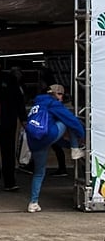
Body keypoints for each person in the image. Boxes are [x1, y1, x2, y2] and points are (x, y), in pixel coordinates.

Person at [26, 85, 85, 213]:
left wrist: (66, 145)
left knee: (39, 172)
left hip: (34, 142)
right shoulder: (53, 103)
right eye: (61, 95)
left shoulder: (37, 104)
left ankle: (33, 202)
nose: (62, 98)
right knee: (68, 121)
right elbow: (72, 121)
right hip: (47, 135)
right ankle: (75, 150)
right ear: (56, 94)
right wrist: (82, 136)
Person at [0, 57, 26, 191]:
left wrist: (23, 118)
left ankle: (10, 181)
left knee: (8, 151)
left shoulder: (9, 79)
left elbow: (19, 100)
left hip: (7, 119)